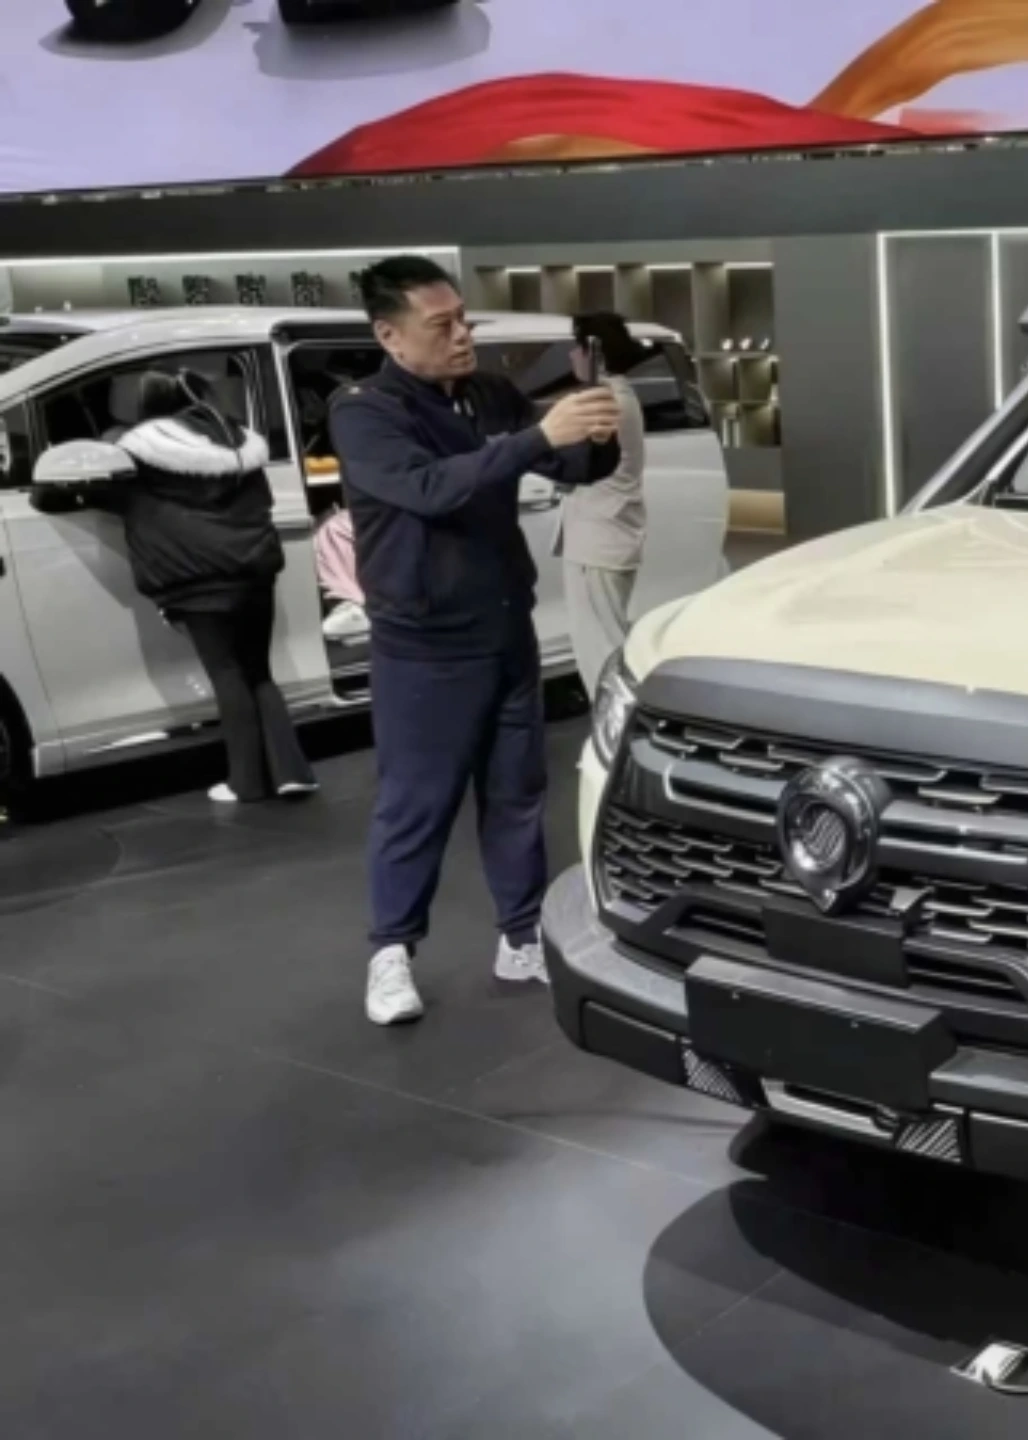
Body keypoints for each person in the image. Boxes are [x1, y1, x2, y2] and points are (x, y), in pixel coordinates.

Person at [332, 255, 624, 1027]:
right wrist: (538, 438)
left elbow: (571, 463)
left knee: (517, 794)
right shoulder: (364, 412)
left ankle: (521, 938)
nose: (463, 335)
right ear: (390, 335)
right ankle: (391, 954)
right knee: (415, 803)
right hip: (423, 645)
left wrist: (597, 432)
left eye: (464, 319)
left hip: (504, 629)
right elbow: (430, 488)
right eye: (443, 325)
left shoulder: (490, 394)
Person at [34, 372, 318, 805]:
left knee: (226, 673)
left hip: (195, 578)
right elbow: (263, 502)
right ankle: (293, 773)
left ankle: (246, 783)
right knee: (259, 672)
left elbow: (72, 497)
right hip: (254, 570)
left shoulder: (139, 451)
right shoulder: (240, 444)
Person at [559, 312, 650, 694]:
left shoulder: (604, 401)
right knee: (608, 640)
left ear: (594, 351)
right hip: (611, 535)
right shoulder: (623, 394)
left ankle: (616, 722)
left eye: (577, 346)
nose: (571, 355)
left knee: (599, 650)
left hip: (597, 539)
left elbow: (567, 462)